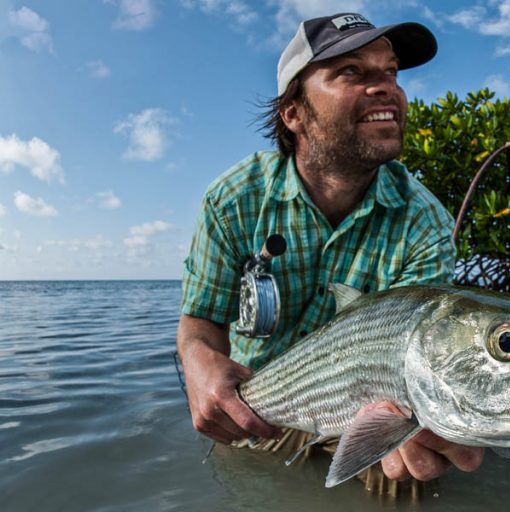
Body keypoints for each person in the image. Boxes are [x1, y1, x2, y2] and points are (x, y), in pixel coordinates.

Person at [176, 12, 483, 483]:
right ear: (293, 112)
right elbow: (200, 319)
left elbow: (415, 353)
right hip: (256, 411)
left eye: (391, 72)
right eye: (352, 72)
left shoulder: (426, 223)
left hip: (367, 411)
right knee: (244, 489)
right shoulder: (234, 200)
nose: (386, 87)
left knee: (409, 477)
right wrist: (199, 365)